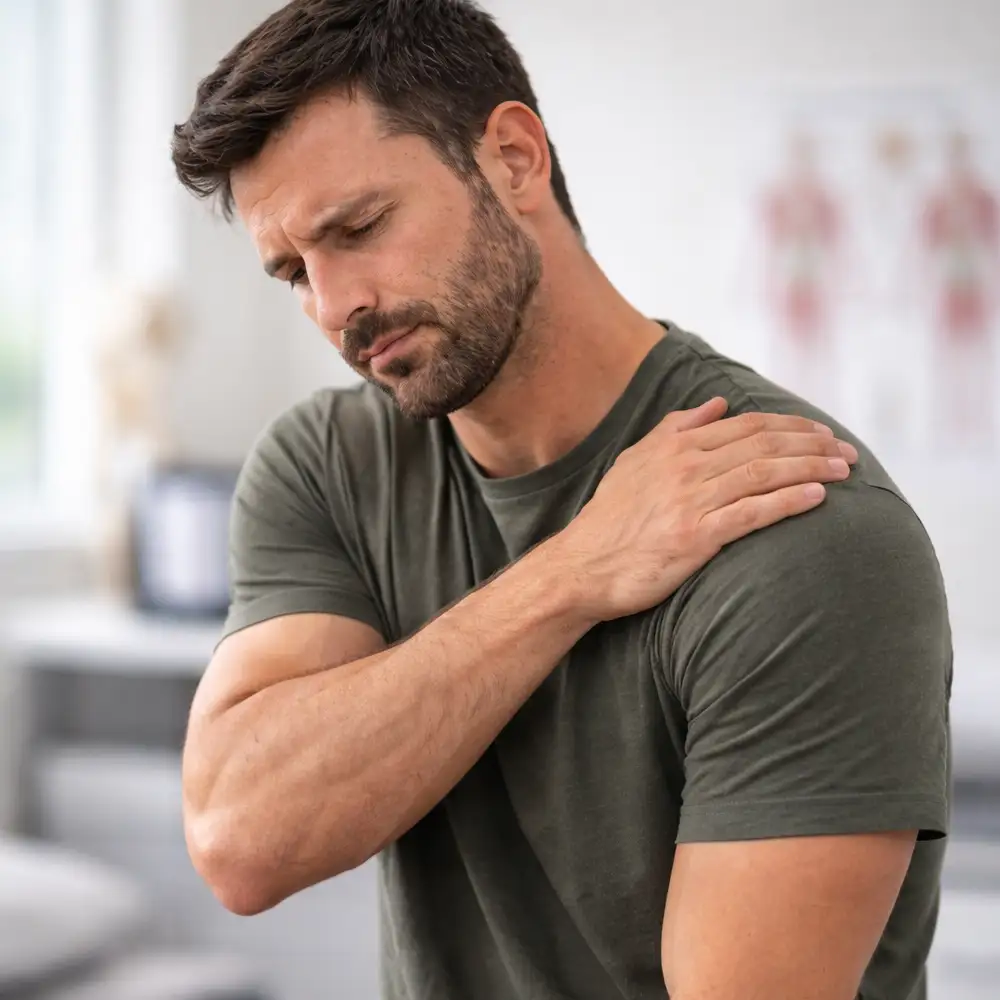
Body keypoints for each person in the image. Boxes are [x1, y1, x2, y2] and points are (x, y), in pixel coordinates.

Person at [171, 3, 951, 999]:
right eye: (293, 272)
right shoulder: (328, 464)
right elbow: (243, 839)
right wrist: (575, 574)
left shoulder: (802, 524)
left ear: (512, 157)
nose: (333, 305)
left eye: (359, 228)